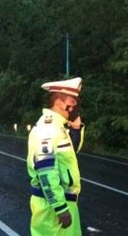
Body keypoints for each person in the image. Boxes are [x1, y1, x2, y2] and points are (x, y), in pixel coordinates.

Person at [27, 77, 84, 236]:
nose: (75, 105)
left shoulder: (59, 127)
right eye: (72, 100)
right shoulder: (48, 129)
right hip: (52, 207)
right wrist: (60, 207)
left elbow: (71, 152)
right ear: (59, 102)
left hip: (65, 202)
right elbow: (46, 172)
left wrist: (76, 128)